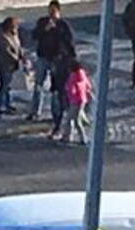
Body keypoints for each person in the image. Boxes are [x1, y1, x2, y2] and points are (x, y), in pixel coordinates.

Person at [28, 0, 76, 132]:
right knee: (38, 85)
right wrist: (45, 29)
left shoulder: (63, 25)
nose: (51, 13)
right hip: (43, 57)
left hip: (57, 59)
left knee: (57, 88)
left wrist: (72, 58)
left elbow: (69, 41)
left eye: (54, 11)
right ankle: (35, 111)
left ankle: (59, 114)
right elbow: (34, 36)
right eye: (50, 10)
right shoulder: (43, 22)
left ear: (59, 11)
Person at [0, 17, 24, 115]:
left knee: (8, 85)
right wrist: (16, 58)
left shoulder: (14, 34)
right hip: (4, 63)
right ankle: (0, 106)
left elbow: (19, 46)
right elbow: (6, 51)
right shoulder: (2, 36)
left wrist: (22, 56)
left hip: (12, 64)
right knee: (4, 85)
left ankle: (8, 104)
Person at [61, 58, 93, 145]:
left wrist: (68, 91)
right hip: (82, 100)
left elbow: (71, 89)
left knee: (72, 120)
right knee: (74, 119)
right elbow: (88, 86)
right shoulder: (83, 75)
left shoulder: (72, 77)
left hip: (74, 101)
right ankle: (72, 137)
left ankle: (71, 137)